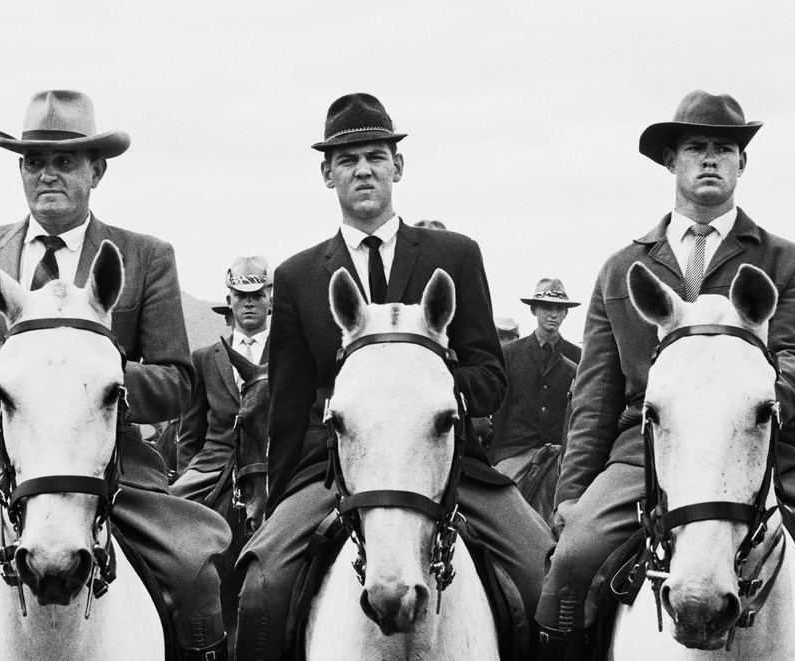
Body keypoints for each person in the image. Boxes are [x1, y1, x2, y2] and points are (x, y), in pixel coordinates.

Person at [536, 90, 795, 660]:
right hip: (646, 450)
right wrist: (573, 492)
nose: (710, 158)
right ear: (671, 163)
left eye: (724, 148)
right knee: (570, 567)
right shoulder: (621, 268)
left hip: (770, 447)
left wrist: (737, 415)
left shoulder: (789, 260)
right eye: (696, 147)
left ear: (741, 164)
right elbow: (594, 394)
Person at [235, 92, 554, 660]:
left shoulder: (453, 255)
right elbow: (287, 407)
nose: (363, 169)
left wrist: (429, 394)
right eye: (348, 158)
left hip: (448, 461)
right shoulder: (300, 276)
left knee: (541, 573)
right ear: (327, 173)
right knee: (262, 590)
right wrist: (281, 503)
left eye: (376, 156)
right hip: (333, 469)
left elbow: (489, 376)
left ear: (397, 167)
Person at [0, 90, 230, 660]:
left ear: (97, 170)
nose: (47, 175)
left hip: (108, 461)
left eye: (64, 162)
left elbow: (178, 383)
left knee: (196, 581)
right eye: (33, 162)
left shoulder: (145, 256)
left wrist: (91, 381)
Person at [173, 255, 273, 500]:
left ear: (270, 302)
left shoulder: (289, 353)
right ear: (230, 301)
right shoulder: (204, 358)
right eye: (241, 296)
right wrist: (186, 472)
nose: (249, 303)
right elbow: (191, 431)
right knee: (169, 512)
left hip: (270, 462)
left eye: (257, 295)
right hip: (213, 463)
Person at [490, 279, 580, 477]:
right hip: (515, 451)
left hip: (561, 455)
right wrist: (492, 458)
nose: (553, 314)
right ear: (533, 310)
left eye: (559, 308)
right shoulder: (508, 354)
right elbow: (499, 411)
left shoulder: (579, 357)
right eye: (547, 307)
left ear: (566, 313)